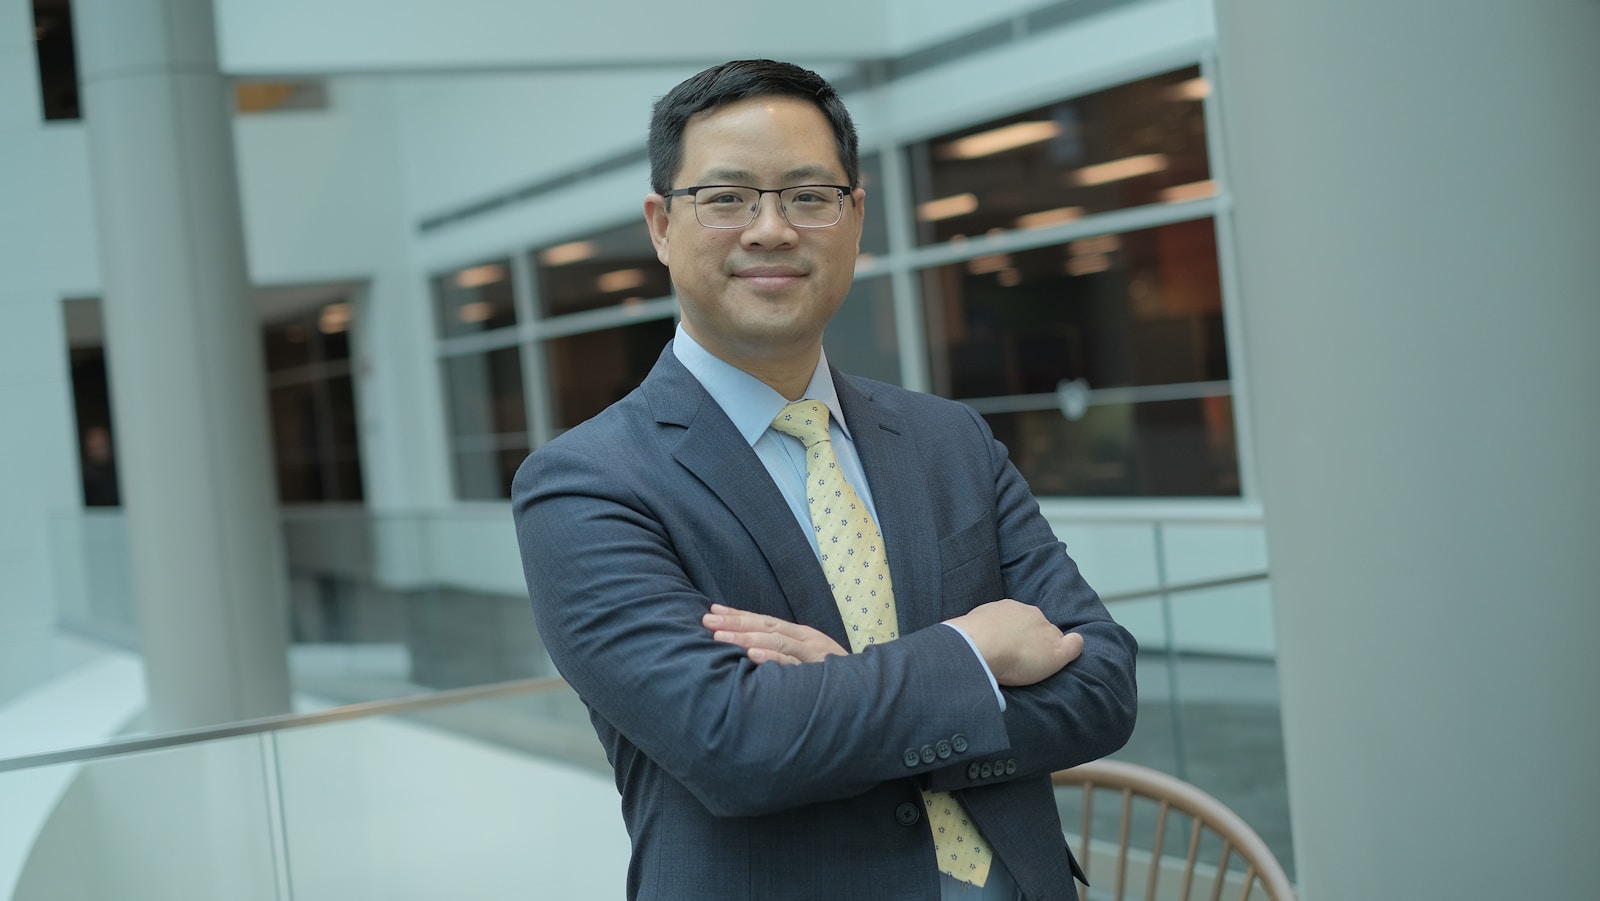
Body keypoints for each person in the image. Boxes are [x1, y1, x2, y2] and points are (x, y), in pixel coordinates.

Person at [512, 59, 1137, 901]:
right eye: (727, 197)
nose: (772, 229)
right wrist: (971, 650)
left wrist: (847, 690)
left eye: (809, 196)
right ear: (661, 225)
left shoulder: (950, 439)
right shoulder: (585, 485)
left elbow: (1102, 684)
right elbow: (737, 745)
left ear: (855, 219)